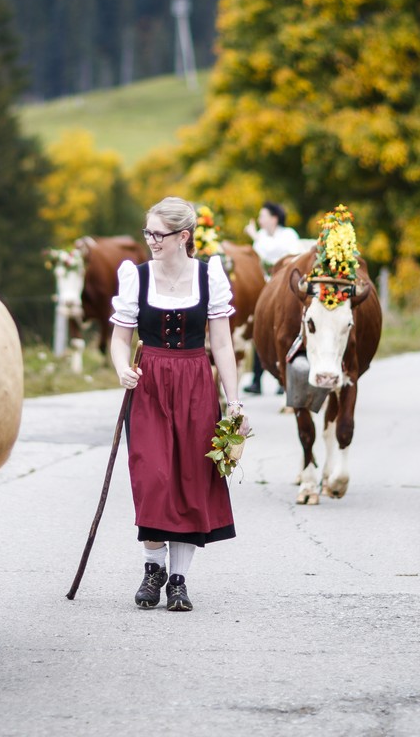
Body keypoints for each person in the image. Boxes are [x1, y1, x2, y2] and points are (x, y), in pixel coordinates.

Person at [109, 197, 240, 612]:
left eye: (158, 234)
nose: (151, 240)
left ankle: (179, 580)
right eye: (147, 232)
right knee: (152, 477)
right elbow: (118, 339)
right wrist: (120, 368)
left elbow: (221, 342)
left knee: (189, 479)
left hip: (196, 382)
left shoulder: (209, 277)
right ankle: (153, 567)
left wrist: (233, 401)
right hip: (148, 385)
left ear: (183, 236)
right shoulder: (136, 278)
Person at [242, 202, 300, 395]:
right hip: (265, 288)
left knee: (284, 332)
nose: (259, 220)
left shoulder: (289, 235)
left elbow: (286, 256)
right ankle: (257, 379)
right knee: (261, 331)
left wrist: (255, 235)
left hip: (284, 289)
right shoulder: (263, 237)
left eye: (263, 216)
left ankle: (283, 378)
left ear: (274, 218)